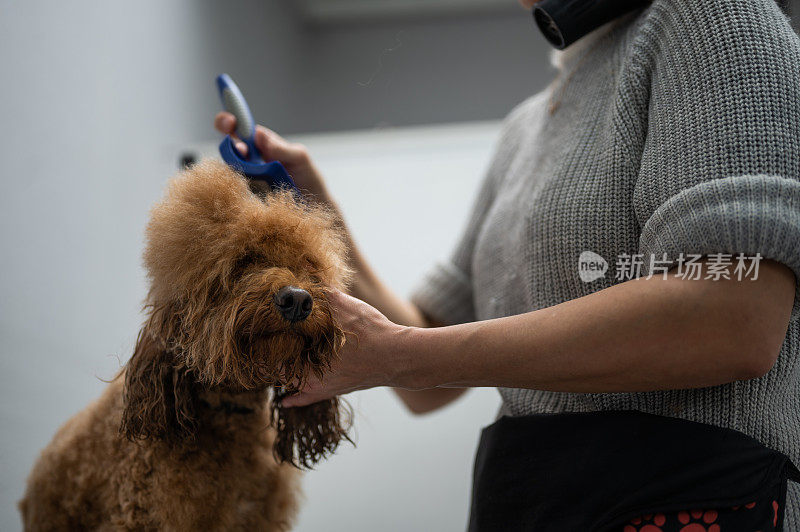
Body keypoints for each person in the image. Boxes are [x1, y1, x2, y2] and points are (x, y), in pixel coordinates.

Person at [216, 0, 800, 528]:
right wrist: (321, 210)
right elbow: (426, 373)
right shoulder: (524, 127)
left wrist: (401, 355)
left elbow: (733, 316)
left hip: (682, 499)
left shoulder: (718, 20)